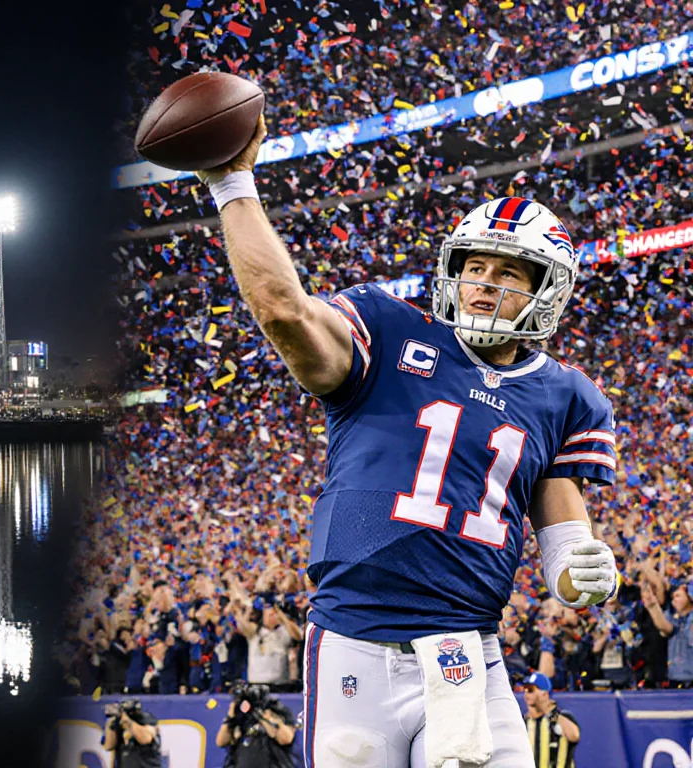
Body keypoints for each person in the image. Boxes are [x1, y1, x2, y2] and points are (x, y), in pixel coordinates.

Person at [194, 112, 619, 767]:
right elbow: (284, 311)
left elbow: (564, 545)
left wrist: (581, 575)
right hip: (354, 642)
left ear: (546, 292)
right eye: (476, 266)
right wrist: (232, 184)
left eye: (510, 274)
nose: (485, 284)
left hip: (467, 650)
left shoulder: (567, 395)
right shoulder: (391, 330)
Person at [216, 682, 297, 768]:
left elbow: (286, 739)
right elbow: (221, 742)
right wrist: (230, 717)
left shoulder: (277, 711)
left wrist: (263, 716)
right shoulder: (240, 715)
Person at [521, 672, 580, 767]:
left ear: (545, 694)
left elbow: (574, 736)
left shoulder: (561, 718)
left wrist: (551, 712)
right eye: (525, 689)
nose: (526, 694)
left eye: (531, 690)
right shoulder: (524, 723)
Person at [645, 580, 693, 687]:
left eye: (678, 596)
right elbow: (665, 627)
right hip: (676, 677)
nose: (674, 600)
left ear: (690, 597)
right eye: (673, 597)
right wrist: (653, 608)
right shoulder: (672, 616)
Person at [102, 699, 162, 768]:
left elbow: (145, 739)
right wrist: (111, 722)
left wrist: (128, 721)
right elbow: (108, 746)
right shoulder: (119, 724)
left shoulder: (145, 720)